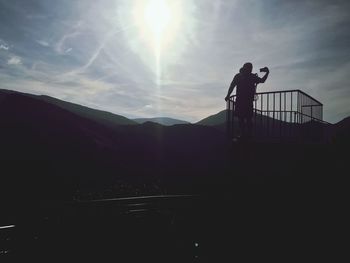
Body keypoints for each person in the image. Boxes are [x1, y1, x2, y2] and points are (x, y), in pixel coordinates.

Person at [225, 62, 269, 139]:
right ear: (248, 68)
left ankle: (244, 134)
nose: (251, 69)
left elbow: (232, 86)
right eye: (250, 68)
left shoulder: (239, 76)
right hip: (247, 101)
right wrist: (267, 72)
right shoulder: (251, 76)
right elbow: (262, 80)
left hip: (240, 100)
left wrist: (228, 95)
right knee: (247, 118)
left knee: (242, 118)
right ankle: (247, 135)